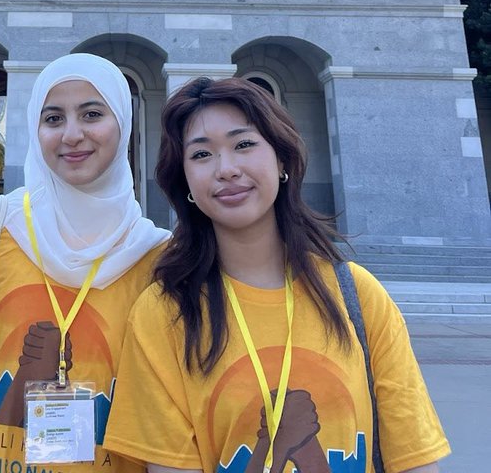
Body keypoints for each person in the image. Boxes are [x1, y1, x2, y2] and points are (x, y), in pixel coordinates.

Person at [104, 77, 449, 473]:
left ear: (282, 160)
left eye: (243, 145)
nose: (226, 169)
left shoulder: (357, 294)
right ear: (186, 183)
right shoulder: (165, 314)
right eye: (201, 154)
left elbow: (414, 457)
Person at [0, 52, 171, 473]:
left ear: (123, 125)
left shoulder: (157, 256)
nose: (72, 135)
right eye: (53, 118)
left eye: (92, 114)